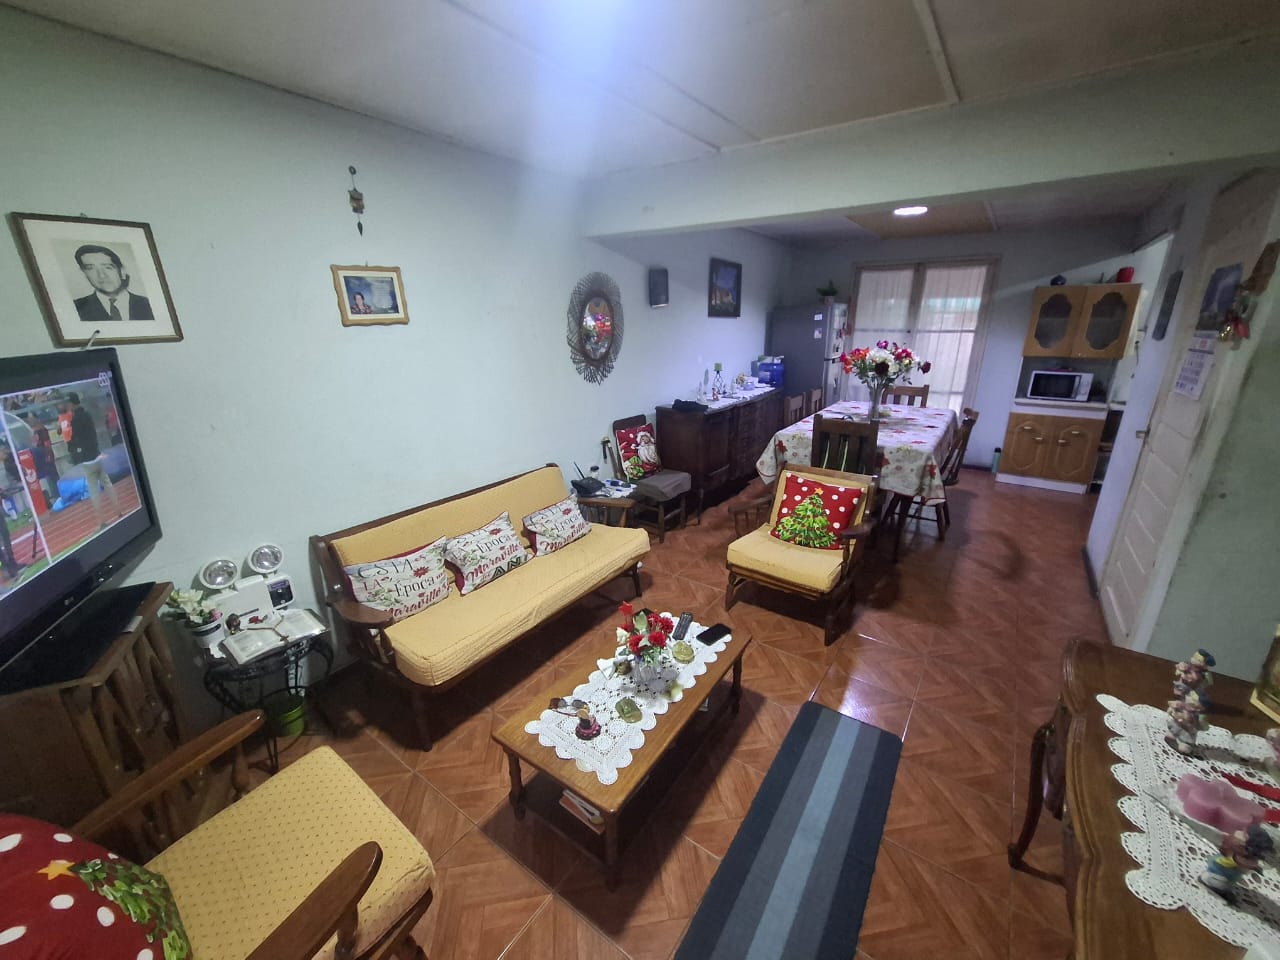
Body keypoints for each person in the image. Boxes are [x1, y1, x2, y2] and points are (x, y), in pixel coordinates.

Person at [65, 392, 121, 529]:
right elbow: (93, 434)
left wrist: (72, 448)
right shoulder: (88, 415)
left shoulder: (75, 420)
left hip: (87, 459)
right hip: (96, 455)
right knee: (107, 484)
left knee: (94, 490)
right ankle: (118, 511)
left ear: (71, 404)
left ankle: (101, 521)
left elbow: (75, 439)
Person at [72, 244, 155, 324]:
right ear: (84, 274)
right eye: (91, 269)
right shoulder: (76, 307)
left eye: (108, 267)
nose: (101, 275)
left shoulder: (149, 304)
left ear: (122, 271)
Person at [24, 411, 60, 508]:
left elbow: (47, 443)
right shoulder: (33, 432)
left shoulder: (41, 430)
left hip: (46, 456)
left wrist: (48, 455)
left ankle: (58, 496)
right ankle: (55, 496)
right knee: (50, 477)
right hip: (40, 459)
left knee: (53, 477)